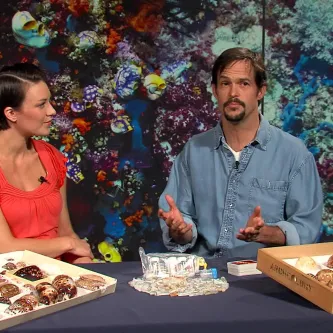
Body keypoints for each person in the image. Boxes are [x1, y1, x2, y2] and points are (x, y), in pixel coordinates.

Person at [158, 47, 323, 259]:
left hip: (263, 278)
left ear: (260, 91)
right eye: (226, 83)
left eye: (244, 84)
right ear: (215, 90)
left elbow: (307, 228)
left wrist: (266, 234)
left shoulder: (294, 154)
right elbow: (181, 224)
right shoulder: (194, 150)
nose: (233, 93)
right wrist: (180, 231)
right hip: (202, 277)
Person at [0, 63, 93, 263]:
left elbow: (66, 232)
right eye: (41, 104)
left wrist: (88, 270)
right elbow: (5, 248)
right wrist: (67, 244)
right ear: (11, 114)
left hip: (58, 280)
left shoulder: (53, 158)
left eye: (49, 102)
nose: (52, 111)